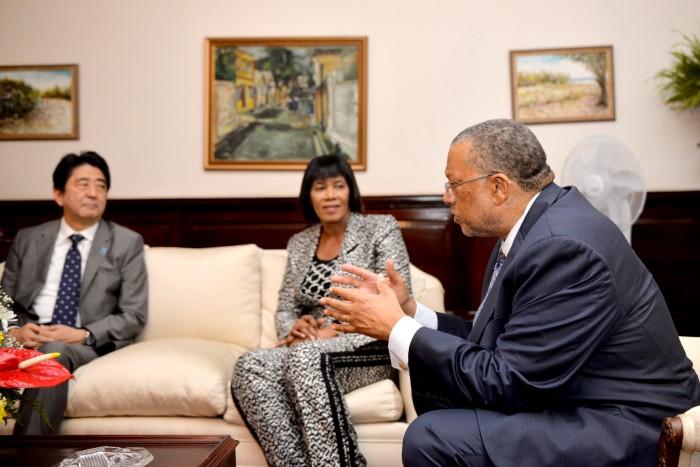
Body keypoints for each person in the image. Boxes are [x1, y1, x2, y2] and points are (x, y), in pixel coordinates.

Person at [321, 119, 700, 466]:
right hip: (577, 395)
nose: (446, 197)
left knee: (430, 437)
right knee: (434, 391)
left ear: (499, 186)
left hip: (627, 421)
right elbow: (498, 342)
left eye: (454, 184)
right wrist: (410, 312)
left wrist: (395, 328)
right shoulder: (533, 227)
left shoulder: (561, 246)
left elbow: (510, 380)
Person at [231, 154, 412, 467]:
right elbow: (286, 307)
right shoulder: (299, 243)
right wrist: (296, 328)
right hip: (312, 347)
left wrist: (327, 332)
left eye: (338, 186)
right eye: (320, 187)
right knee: (250, 366)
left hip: (367, 344)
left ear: (350, 191)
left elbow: (395, 295)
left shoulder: (380, 228)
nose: (330, 195)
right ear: (309, 196)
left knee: (305, 358)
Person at [1, 151, 148, 435]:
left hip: (81, 343)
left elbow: (134, 315)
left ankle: (28, 459)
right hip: (30, 335)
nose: (93, 193)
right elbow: (3, 306)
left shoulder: (127, 242)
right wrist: (15, 333)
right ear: (59, 194)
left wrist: (82, 334)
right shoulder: (29, 239)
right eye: (83, 184)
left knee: (52, 353)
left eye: (101, 186)